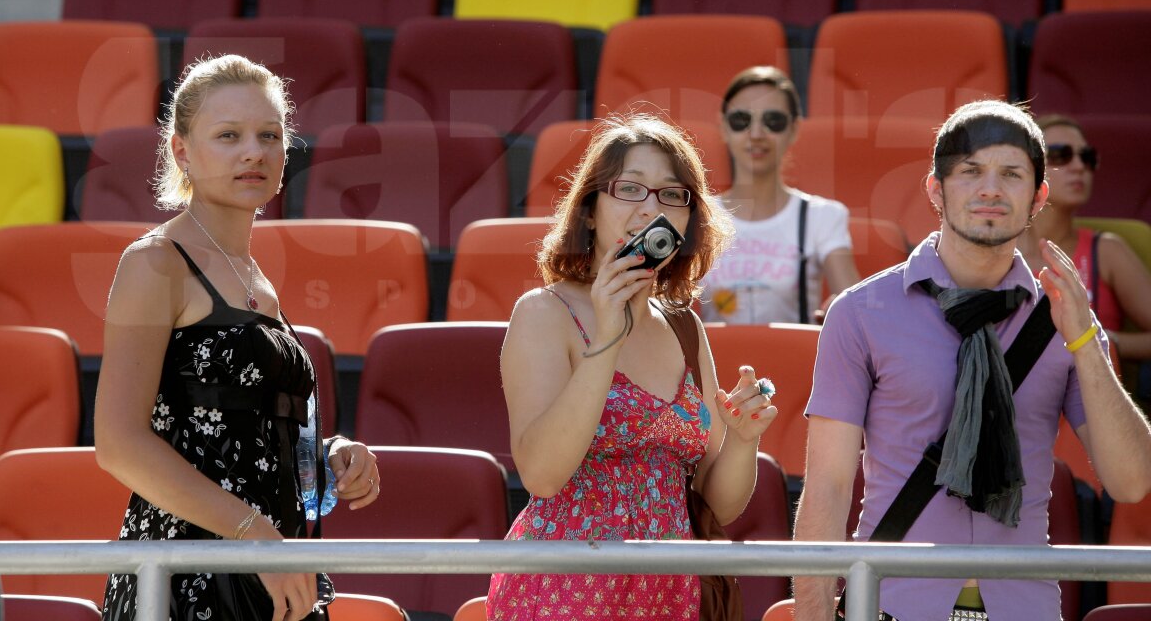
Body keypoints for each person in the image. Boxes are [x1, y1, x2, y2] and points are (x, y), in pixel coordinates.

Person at [793, 100, 1151, 621]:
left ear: (1037, 197)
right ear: (936, 190)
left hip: (1022, 605)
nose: (990, 190)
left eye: (1011, 174)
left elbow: (1132, 481)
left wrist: (1085, 340)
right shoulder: (860, 312)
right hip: (895, 603)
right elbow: (826, 486)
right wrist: (813, 613)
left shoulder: (1064, 316)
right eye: (970, 172)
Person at [95, 55, 381, 621]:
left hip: (275, 571)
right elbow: (119, 443)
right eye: (229, 135)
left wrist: (328, 457)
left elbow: (237, 430)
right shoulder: (156, 262)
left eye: (269, 135)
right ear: (182, 152)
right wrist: (256, 538)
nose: (254, 151)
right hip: (187, 574)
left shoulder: (257, 278)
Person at [487, 113, 779, 620]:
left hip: (672, 593)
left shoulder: (685, 326)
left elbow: (720, 504)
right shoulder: (543, 312)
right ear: (592, 210)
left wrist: (742, 438)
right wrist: (606, 338)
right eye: (631, 189)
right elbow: (542, 475)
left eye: (672, 194)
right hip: (564, 594)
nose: (652, 208)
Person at [699, 66, 859, 325]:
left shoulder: (823, 216)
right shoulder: (698, 216)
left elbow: (855, 306)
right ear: (723, 128)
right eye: (741, 120)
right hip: (712, 363)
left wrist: (842, 308)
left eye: (773, 121)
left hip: (796, 363)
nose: (756, 133)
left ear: (794, 129)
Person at [1018, 114, 1151, 364]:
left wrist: (1100, 340)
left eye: (1087, 157)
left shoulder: (1108, 251)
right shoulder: (996, 251)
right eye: (1060, 155)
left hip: (1093, 398)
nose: (1079, 166)